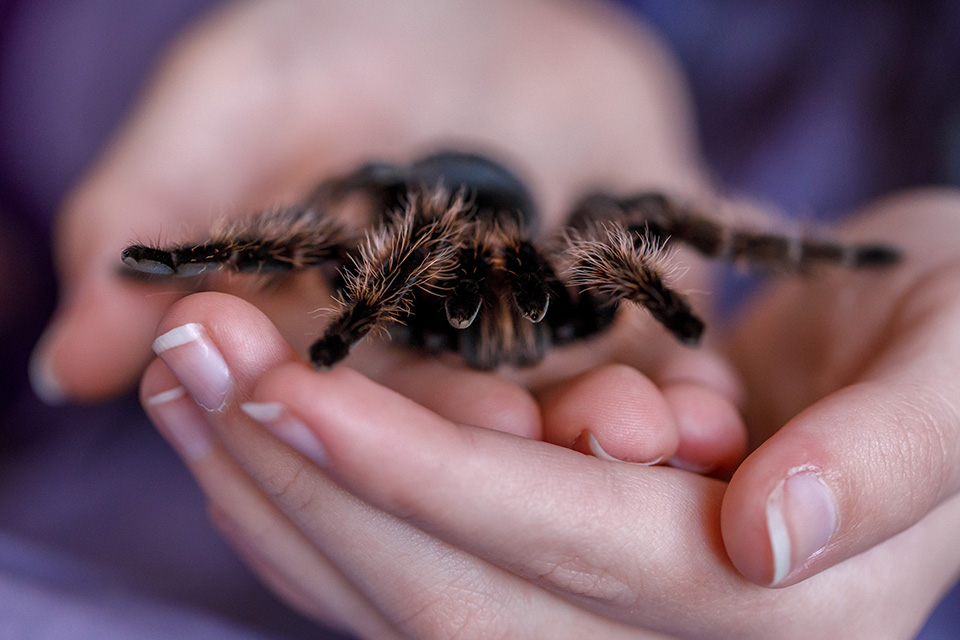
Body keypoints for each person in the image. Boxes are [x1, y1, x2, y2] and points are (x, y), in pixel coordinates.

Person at [6, 0, 960, 637]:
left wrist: (674, 324)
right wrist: (324, 331)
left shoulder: (565, 269)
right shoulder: (415, 242)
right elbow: (356, 234)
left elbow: (635, 245)